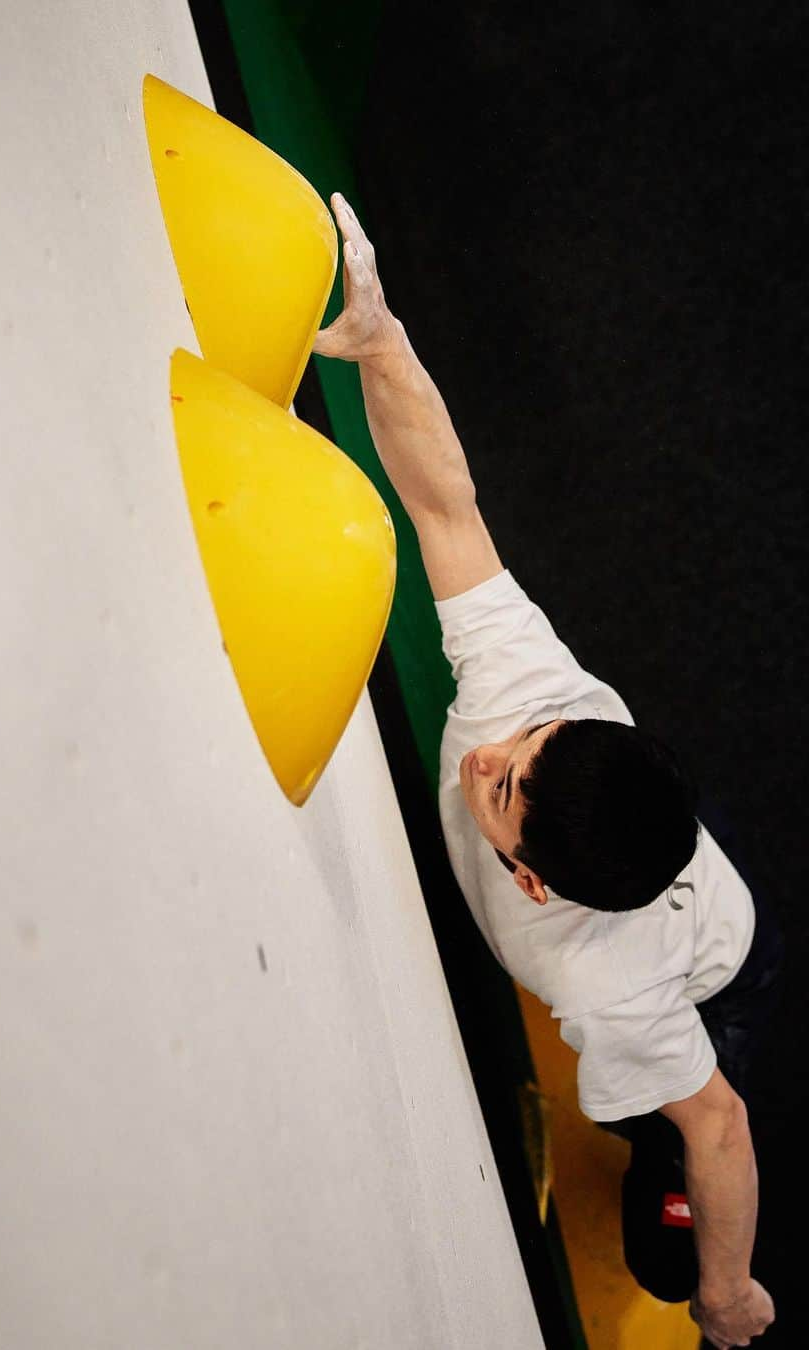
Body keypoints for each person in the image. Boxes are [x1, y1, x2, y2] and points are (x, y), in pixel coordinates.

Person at [313, 191, 781, 1350]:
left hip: (714, 984)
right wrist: (386, 344)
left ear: (530, 884)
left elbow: (721, 1128)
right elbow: (443, 499)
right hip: (647, 839)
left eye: (502, 791)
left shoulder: (614, 996)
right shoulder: (535, 700)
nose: (487, 751)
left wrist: (730, 1296)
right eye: (525, 750)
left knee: (665, 1247)